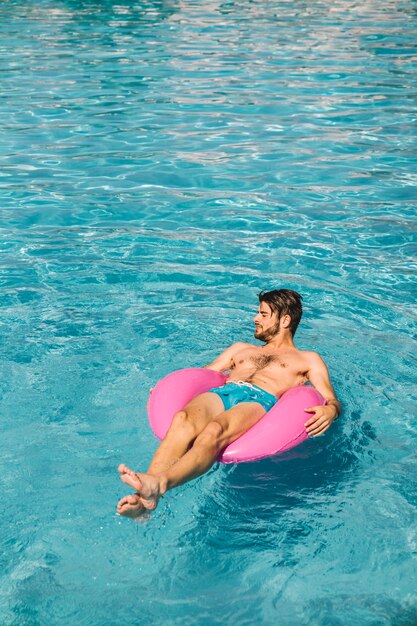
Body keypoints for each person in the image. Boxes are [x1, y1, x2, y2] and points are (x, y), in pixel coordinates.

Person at [117, 289, 341, 518]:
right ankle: (144, 499)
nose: (256, 319)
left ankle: (160, 484)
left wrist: (331, 410)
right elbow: (199, 376)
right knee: (182, 419)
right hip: (225, 391)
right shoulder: (240, 349)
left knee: (214, 431)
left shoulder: (308, 359)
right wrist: (163, 394)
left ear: (285, 320)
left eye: (264, 314)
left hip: (260, 399)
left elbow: (331, 398)